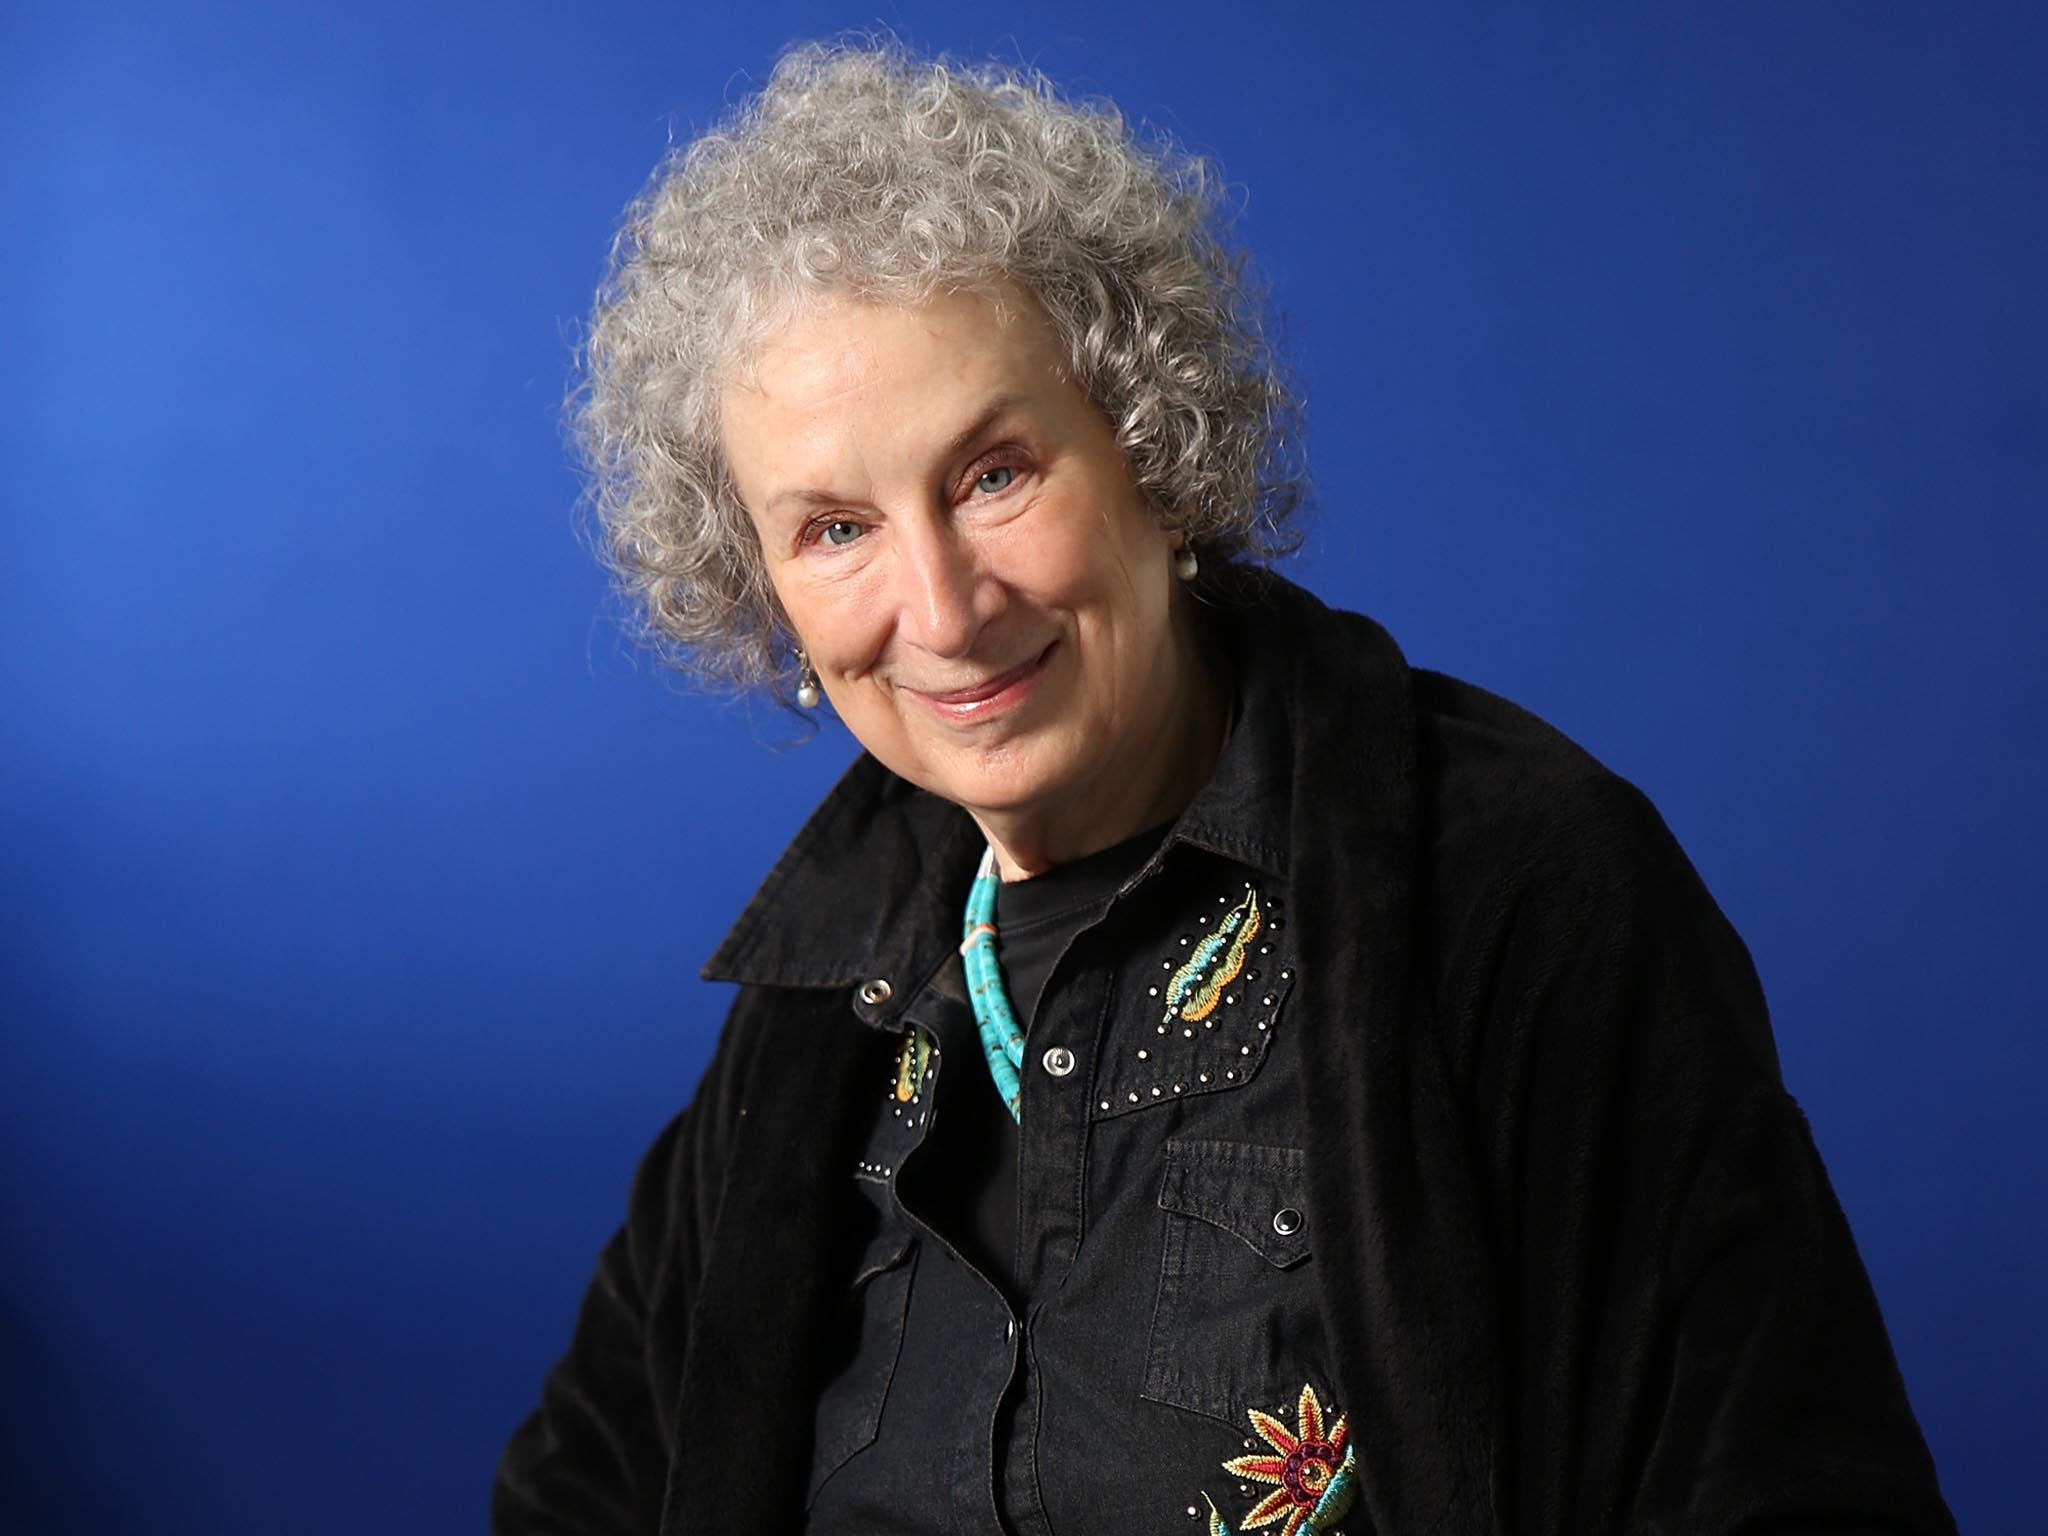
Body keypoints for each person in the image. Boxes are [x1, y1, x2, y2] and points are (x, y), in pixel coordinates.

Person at [495, 41, 1954, 1536]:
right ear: (768, 593)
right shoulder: (815, 1007)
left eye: (996, 474)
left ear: (1152, 450)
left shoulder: (1519, 889)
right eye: (834, 529)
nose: (938, 611)